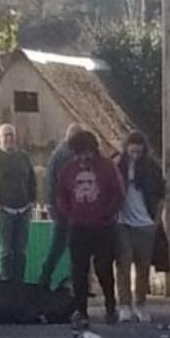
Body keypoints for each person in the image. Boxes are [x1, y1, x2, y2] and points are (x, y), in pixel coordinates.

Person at [54, 129, 123, 327]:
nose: (84, 157)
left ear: (94, 150)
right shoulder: (69, 169)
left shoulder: (107, 167)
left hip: (102, 227)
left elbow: (118, 194)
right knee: (79, 271)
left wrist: (106, 215)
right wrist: (69, 214)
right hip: (77, 227)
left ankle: (110, 307)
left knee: (104, 269)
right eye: (79, 153)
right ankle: (81, 310)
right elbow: (62, 195)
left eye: (87, 152)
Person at [114, 131, 167, 323]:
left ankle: (141, 303)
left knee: (143, 267)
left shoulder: (152, 168)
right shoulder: (118, 165)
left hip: (145, 223)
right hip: (123, 222)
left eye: (138, 152)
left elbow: (161, 194)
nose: (135, 156)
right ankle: (124, 305)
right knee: (123, 263)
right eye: (132, 152)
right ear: (126, 149)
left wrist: (156, 221)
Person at [36, 122, 88, 291]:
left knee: (60, 246)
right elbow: (67, 184)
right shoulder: (67, 155)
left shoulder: (59, 152)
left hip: (59, 207)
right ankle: (47, 279)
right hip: (64, 209)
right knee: (63, 246)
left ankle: (47, 279)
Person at [0, 123, 37, 284]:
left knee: (21, 251)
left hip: (24, 209)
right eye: (5, 135)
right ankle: (7, 282)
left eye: (11, 135)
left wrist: (31, 200)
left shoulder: (23, 156)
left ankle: (19, 283)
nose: (9, 138)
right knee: (6, 250)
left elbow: (32, 179)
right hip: (4, 211)